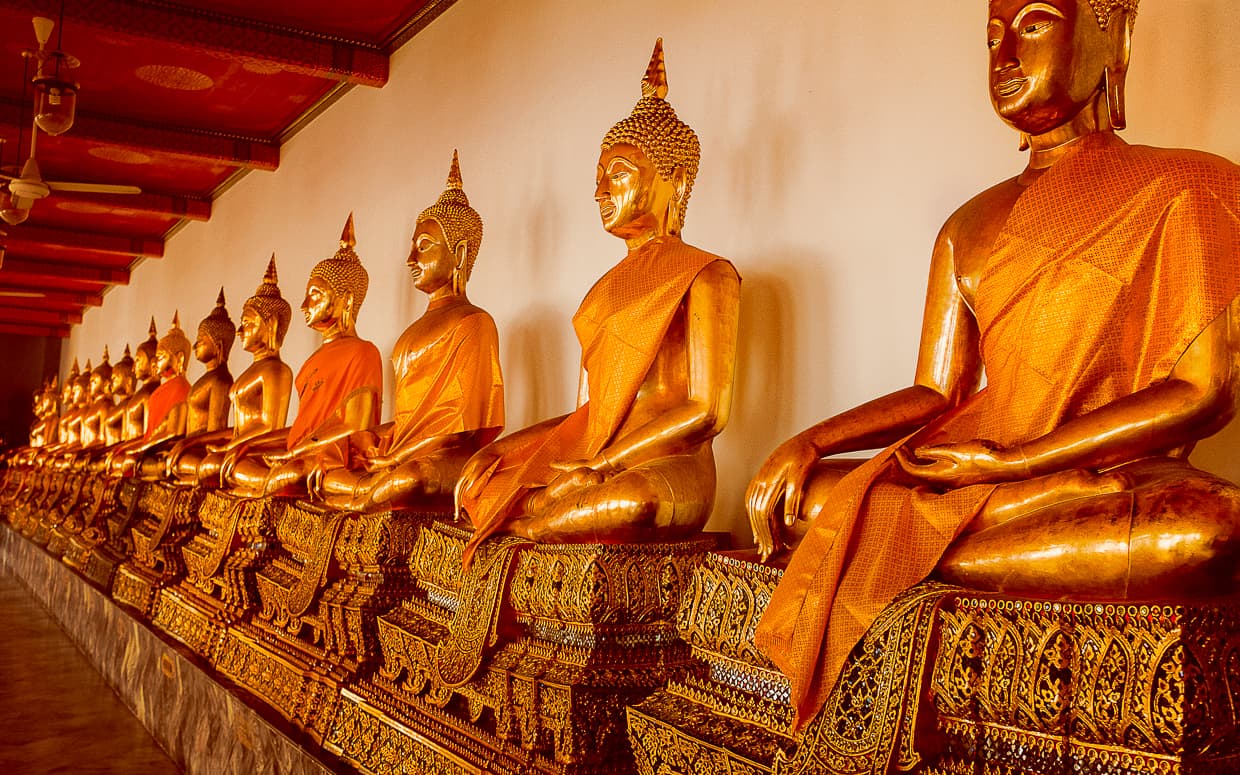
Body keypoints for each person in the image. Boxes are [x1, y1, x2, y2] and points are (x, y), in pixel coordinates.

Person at [748, 0, 1240, 727]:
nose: (1005, 54)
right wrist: (812, 441)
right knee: (817, 494)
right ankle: (942, 537)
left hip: (1111, 475)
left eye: (1034, 24)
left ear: (1113, 32)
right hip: (980, 475)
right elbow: (934, 389)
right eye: (991, 37)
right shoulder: (968, 225)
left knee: (1211, 526)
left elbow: (1203, 391)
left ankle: (927, 548)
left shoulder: (1191, 184)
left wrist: (1016, 464)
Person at [456, 40, 740, 565]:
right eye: (598, 177)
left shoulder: (709, 273)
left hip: (667, 468)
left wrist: (606, 467)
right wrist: (501, 448)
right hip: (596, 459)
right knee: (498, 486)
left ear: (673, 180)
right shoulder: (602, 292)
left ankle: (542, 517)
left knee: (629, 502)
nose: (599, 192)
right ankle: (540, 513)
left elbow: (706, 411)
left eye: (618, 173)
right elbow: (589, 412)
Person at [314, 152, 504, 511]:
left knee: (410, 477)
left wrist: (396, 456)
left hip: (445, 458)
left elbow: (458, 430)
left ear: (459, 253)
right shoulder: (411, 334)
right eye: (412, 247)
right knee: (338, 464)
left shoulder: (474, 322)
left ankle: (360, 498)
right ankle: (364, 493)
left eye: (424, 247)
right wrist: (376, 441)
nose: (410, 260)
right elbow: (408, 420)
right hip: (405, 453)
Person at [222, 215, 383, 497]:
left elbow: (354, 426)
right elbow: (301, 426)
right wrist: (249, 446)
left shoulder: (363, 351)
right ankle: (264, 480)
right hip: (300, 454)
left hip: (332, 458)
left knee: (289, 474)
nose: (305, 305)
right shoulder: (312, 361)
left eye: (315, 295)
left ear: (345, 299)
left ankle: (264, 486)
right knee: (241, 463)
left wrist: (297, 451)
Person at [170, 257, 293, 485]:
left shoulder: (276, 371)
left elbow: (268, 426)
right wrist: (194, 443)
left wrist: (232, 446)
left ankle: (273, 482)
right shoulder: (250, 371)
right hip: (238, 450)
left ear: (271, 325)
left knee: (211, 466)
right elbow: (235, 429)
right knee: (208, 465)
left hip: (256, 451)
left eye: (247, 323)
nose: (240, 330)